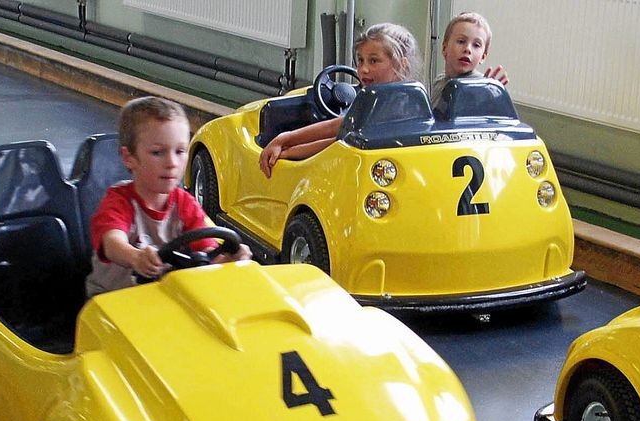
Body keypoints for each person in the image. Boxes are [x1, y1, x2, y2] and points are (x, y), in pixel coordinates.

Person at [85, 96, 251, 296]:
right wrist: (135, 257)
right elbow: (112, 243)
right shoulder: (119, 201)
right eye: (158, 152)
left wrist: (230, 259)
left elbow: (207, 254)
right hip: (112, 301)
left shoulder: (185, 204)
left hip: (163, 299)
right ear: (129, 158)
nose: (172, 162)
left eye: (180, 151)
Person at [259, 22, 420, 178]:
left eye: (374, 61)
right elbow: (337, 127)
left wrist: (286, 151)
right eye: (360, 60)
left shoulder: (389, 106)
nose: (363, 69)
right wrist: (285, 139)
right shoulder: (392, 99)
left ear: (401, 65)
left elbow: (336, 143)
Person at [431, 12, 509, 105]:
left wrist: (488, 96)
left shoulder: (481, 87)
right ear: (444, 48)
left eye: (476, 45)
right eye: (461, 41)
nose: (467, 49)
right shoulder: (439, 81)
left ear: (483, 57)